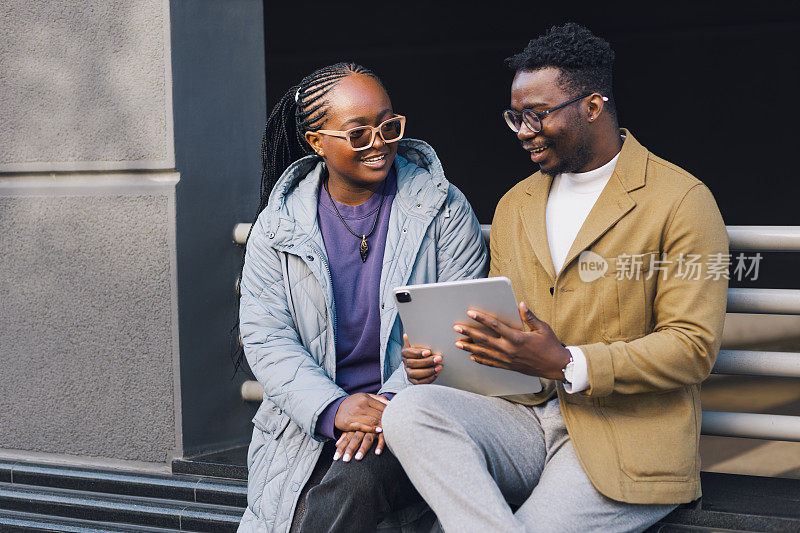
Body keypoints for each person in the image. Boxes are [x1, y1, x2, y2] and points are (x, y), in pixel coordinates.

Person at [382, 23, 729, 532]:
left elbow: (693, 346)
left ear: (592, 106)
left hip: (623, 437)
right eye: (514, 116)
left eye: (537, 115)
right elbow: (501, 328)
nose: (523, 130)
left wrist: (568, 361)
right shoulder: (515, 204)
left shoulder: (681, 201)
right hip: (522, 421)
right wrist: (444, 359)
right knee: (409, 411)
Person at [236, 62, 488, 533]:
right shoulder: (278, 225)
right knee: (298, 505)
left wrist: (386, 407)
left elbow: (460, 331)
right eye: (358, 134)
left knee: (350, 487)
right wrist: (335, 409)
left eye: (388, 125)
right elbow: (266, 337)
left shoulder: (443, 209)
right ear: (317, 142)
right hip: (309, 418)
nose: (380, 143)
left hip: (416, 410)